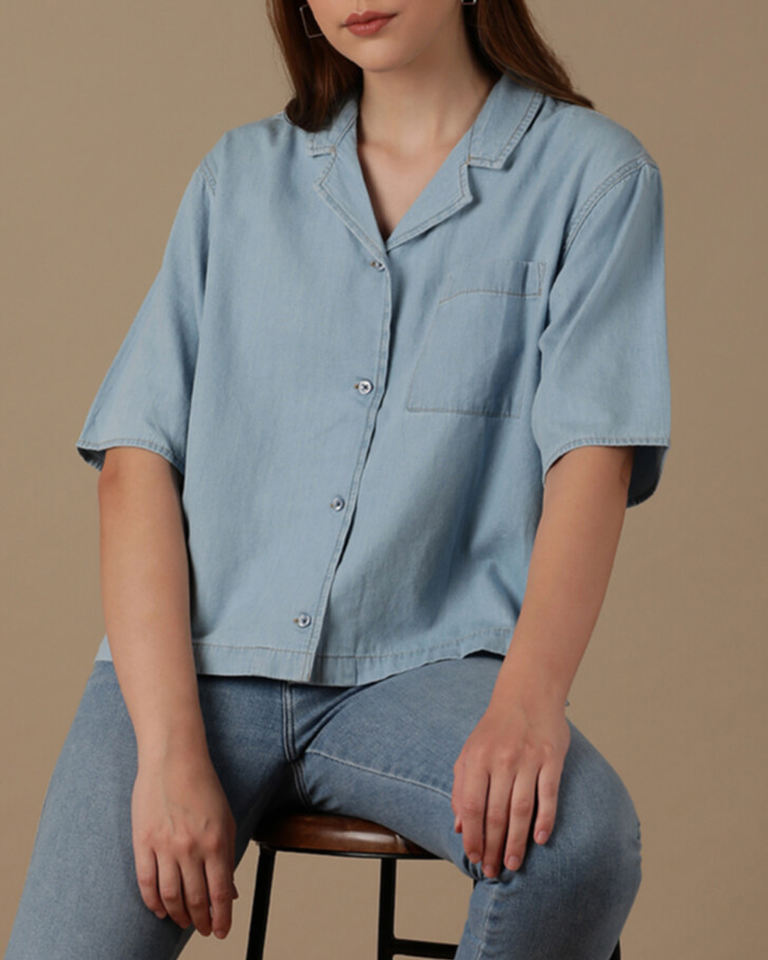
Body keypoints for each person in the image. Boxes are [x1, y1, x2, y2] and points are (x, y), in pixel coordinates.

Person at [5, 0, 671, 957]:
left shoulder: (592, 178)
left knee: (579, 846)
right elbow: (137, 460)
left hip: (421, 673)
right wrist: (167, 751)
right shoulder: (239, 179)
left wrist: (530, 704)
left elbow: (591, 462)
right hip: (196, 662)